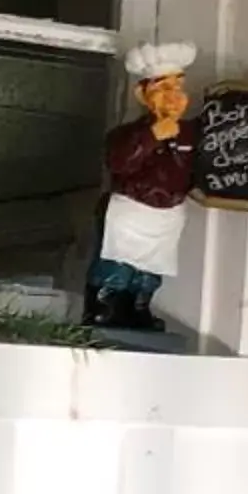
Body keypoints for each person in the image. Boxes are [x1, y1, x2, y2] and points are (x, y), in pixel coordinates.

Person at [88, 41, 198, 333]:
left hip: (168, 214)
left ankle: (140, 307)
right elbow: (120, 163)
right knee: (118, 263)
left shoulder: (192, 133)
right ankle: (106, 305)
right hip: (132, 210)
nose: (173, 97)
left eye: (178, 87)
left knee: (151, 269)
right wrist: (151, 136)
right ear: (143, 94)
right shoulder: (127, 135)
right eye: (163, 88)